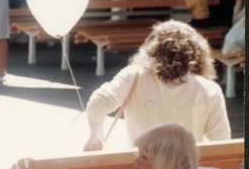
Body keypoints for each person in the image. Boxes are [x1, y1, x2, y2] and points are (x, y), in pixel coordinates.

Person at [83, 20, 230, 151]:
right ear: (197, 53)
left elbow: (98, 103)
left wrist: (96, 135)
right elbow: (221, 140)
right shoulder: (209, 89)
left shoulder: (134, 76)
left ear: (152, 48)